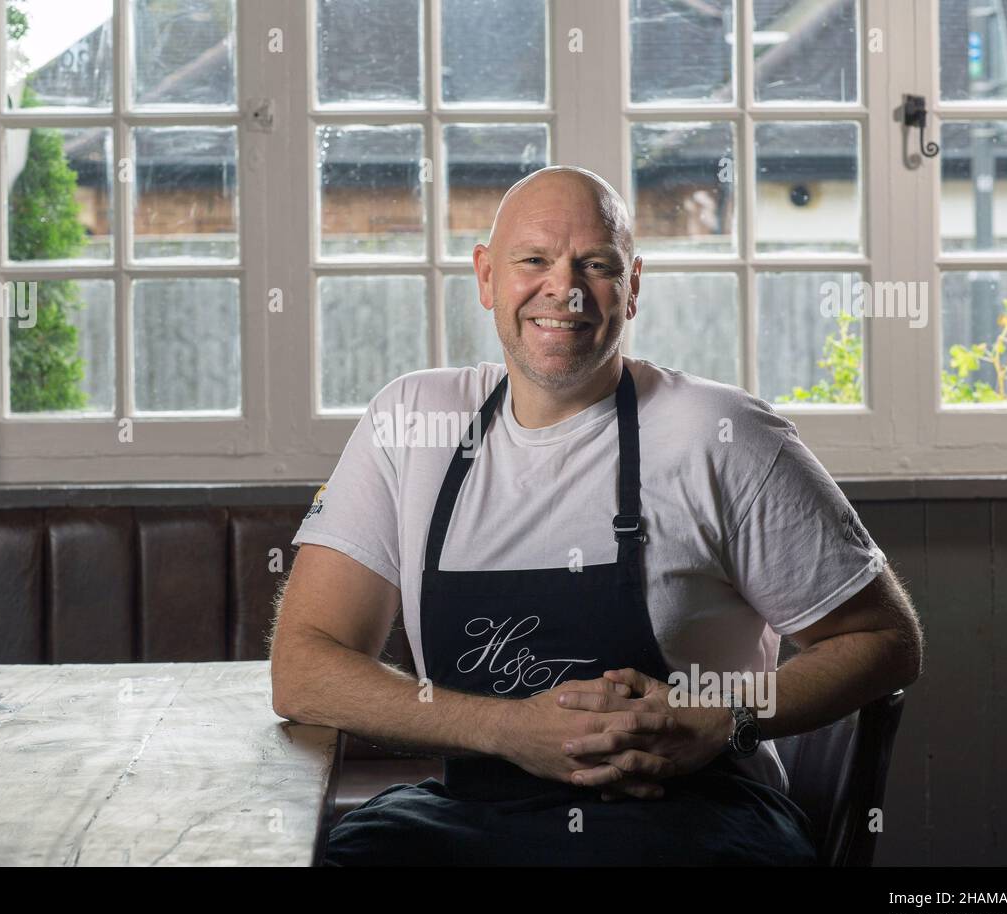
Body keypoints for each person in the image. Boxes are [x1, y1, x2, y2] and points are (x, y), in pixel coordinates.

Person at [269, 165, 923, 866]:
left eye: (596, 265)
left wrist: (723, 715)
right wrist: (504, 729)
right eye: (534, 261)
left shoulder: (720, 434)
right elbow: (303, 667)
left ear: (632, 287)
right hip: (472, 817)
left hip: (695, 822)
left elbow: (887, 639)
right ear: (486, 277)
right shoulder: (412, 422)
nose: (565, 289)